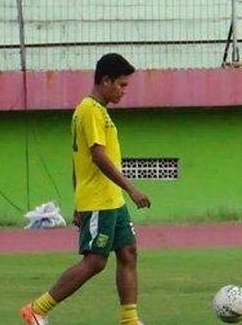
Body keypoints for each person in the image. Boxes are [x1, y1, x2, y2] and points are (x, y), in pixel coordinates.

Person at [21, 53, 151, 325]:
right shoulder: (89, 109)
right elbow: (97, 156)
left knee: (128, 252)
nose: (124, 91)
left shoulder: (98, 111)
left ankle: (129, 319)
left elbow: (76, 161)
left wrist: (78, 203)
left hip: (111, 200)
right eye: (122, 85)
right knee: (95, 262)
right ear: (106, 81)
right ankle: (36, 309)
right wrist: (131, 188)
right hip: (100, 201)